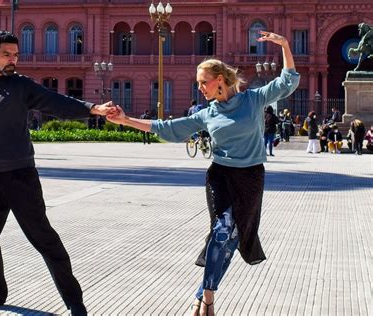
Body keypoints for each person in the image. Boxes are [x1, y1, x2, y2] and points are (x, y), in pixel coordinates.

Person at [107, 31, 299, 316]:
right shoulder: (206, 114)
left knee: (233, 239)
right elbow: (167, 129)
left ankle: (202, 291)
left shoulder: (254, 99)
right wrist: (125, 120)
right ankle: (209, 297)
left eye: (203, 83)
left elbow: (288, 81)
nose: (201, 89)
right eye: (198, 84)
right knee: (221, 231)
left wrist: (284, 45)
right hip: (220, 176)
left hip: (250, 177)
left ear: (220, 80)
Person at [0, 31, 115, 315]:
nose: (13, 60)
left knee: (44, 239)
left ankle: (74, 302)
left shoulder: (22, 86)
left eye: (16, 55)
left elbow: (57, 102)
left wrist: (93, 109)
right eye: (7, 55)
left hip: (20, 176)